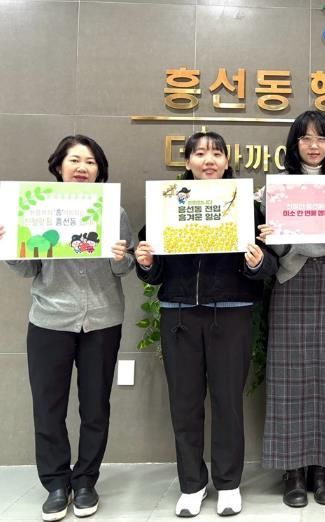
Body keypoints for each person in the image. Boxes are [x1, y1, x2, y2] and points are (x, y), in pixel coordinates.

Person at [134, 131, 277, 518]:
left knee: (228, 402)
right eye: (199, 153)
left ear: (228, 161)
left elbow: (269, 264)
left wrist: (256, 262)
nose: (208, 160)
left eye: (216, 153)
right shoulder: (167, 203)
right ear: (188, 162)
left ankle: (228, 484)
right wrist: (145, 262)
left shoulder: (246, 207)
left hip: (231, 311)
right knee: (184, 404)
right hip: (179, 312)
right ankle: (192, 485)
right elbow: (153, 268)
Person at [1, 135, 134, 521]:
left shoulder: (114, 212)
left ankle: (86, 481)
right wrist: (9, 246)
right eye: (74, 160)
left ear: (99, 171)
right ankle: (56, 484)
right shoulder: (36, 210)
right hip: (50, 320)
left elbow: (125, 268)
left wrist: (121, 257)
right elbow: (28, 268)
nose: (82, 168)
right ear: (58, 166)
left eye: (90, 162)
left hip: (102, 320)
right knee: (48, 407)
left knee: (95, 406)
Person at [257, 110, 325, 508]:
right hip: (292, 281)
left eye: (321, 138)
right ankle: (292, 471)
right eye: (305, 138)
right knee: (289, 377)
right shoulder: (276, 189)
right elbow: (272, 249)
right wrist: (271, 236)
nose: (314, 145)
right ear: (294, 144)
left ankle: (322, 470)